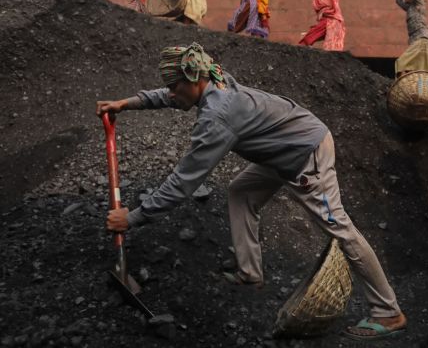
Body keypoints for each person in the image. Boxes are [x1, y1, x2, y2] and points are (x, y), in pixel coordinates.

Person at [97, 42, 406, 341]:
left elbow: (183, 182)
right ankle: (250, 272)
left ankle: (388, 311)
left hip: (304, 153)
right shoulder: (214, 78)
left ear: (193, 79)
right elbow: (172, 96)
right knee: (242, 191)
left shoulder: (217, 117)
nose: (172, 92)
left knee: (340, 229)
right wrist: (128, 103)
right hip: (282, 147)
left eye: (175, 85)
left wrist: (133, 217)